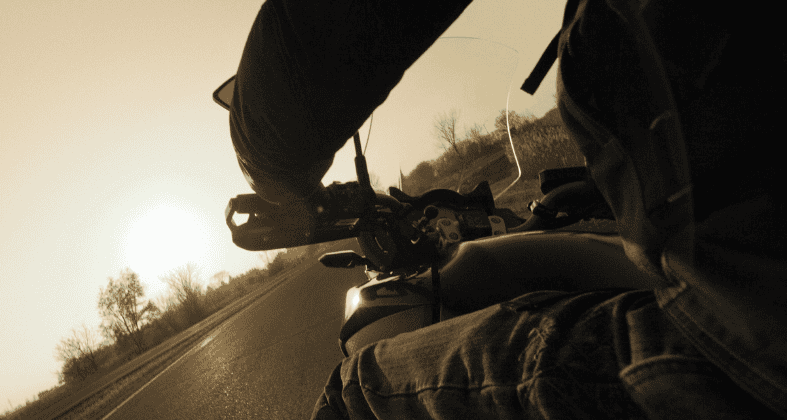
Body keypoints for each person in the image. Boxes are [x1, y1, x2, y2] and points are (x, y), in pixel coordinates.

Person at [223, 0, 787, 418]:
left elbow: (322, 30)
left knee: (356, 390)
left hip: (739, 355)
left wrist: (270, 166)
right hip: (751, 292)